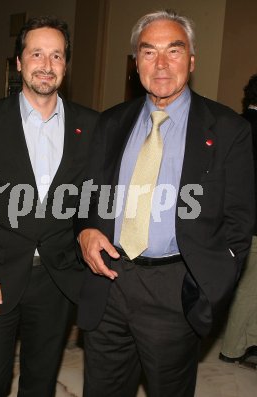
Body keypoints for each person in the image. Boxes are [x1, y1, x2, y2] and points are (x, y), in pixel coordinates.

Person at [75, 9, 254, 397]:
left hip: (176, 287)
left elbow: (239, 223)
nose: (160, 64)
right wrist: (86, 230)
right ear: (135, 62)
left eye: (173, 51)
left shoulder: (227, 130)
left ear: (191, 61)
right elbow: (89, 193)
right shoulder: (110, 122)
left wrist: (207, 286)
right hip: (109, 281)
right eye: (148, 51)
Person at [0, 15, 98, 397]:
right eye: (37, 53)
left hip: (57, 279)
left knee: (40, 384)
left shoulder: (89, 125)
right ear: (20, 62)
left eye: (56, 56)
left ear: (65, 66)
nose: (47, 64)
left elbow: (91, 200)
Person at [220, 74, 257, 364]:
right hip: (253, 223)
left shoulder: (232, 123)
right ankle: (232, 348)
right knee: (249, 286)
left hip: (228, 219)